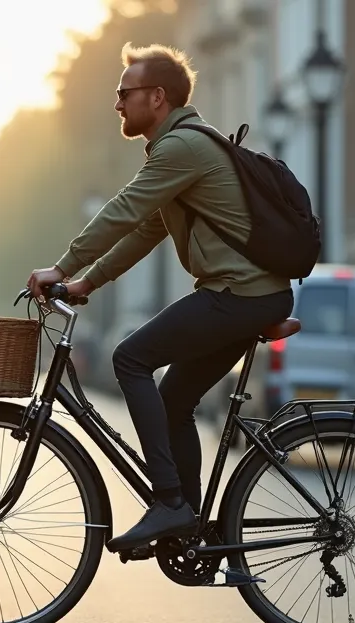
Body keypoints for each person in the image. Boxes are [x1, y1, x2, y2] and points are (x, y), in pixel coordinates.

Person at [26, 43, 294, 552]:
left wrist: (63, 266)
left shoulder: (182, 148)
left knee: (129, 358)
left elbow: (124, 210)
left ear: (157, 97)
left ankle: (170, 502)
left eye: (124, 93)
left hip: (238, 296)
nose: (117, 103)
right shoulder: (180, 149)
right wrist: (87, 282)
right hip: (247, 296)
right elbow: (147, 228)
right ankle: (186, 518)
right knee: (174, 397)